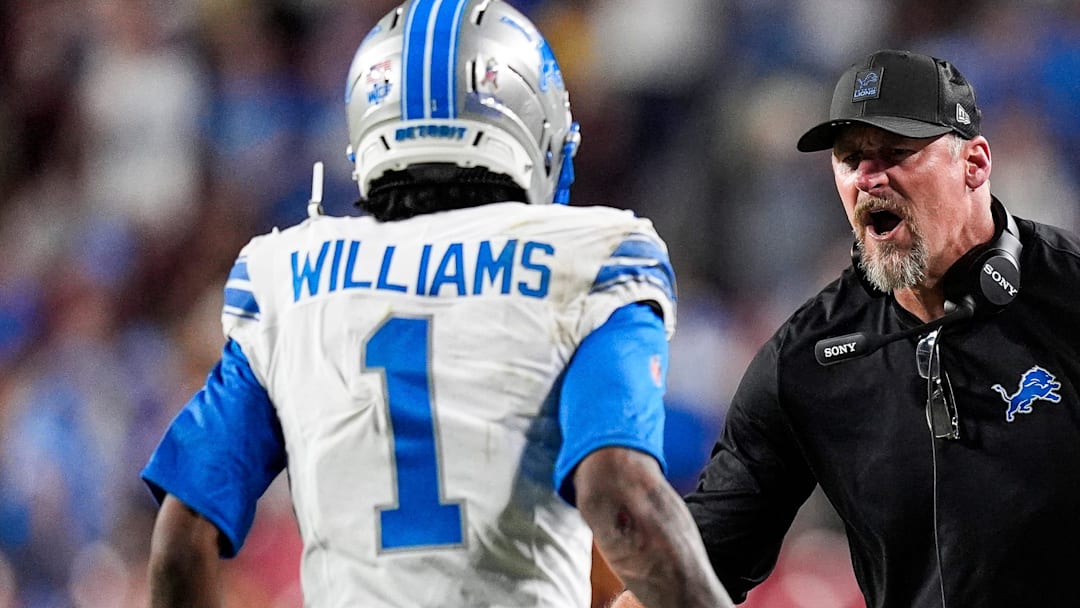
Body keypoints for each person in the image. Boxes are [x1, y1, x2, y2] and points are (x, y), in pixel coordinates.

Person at [140, 1, 733, 607]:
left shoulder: (285, 275)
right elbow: (619, 494)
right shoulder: (596, 257)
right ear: (533, 124)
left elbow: (183, 536)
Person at [615, 49, 1080, 607]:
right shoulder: (808, 359)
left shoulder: (1068, 292)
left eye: (895, 152)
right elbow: (692, 569)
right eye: (849, 157)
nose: (867, 177)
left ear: (974, 164)